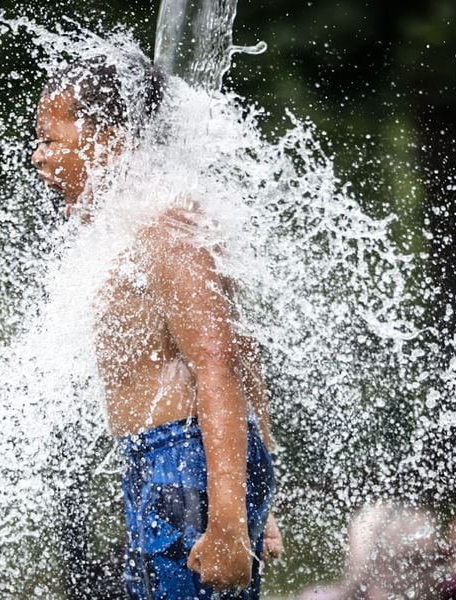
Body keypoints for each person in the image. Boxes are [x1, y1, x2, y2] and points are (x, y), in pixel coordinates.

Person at [31, 54, 282, 599]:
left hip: (183, 462)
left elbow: (221, 363)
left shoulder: (167, 230)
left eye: (50, 140)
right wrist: (250, 498)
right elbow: (245, 355)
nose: (39, 158)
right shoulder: (131, 229)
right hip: (173, 465)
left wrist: (231, 522)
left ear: (108, 141)